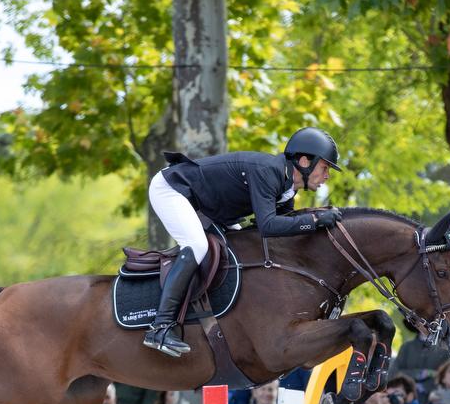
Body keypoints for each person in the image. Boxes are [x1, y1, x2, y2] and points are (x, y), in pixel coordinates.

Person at [144, 127, 343, 357]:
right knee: (197, 246)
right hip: (172, 189)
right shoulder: (269, 172)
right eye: (325, 167)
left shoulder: (287, 188)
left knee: (243, 248)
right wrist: (315, 220)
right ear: (305, 161)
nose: (327, 175)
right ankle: (160, 327)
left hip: (209, 206)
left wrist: (316, 223)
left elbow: (282, 229)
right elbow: (268, 226)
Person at [388, 331, 450, 399]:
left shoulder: (447, 350)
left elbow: (449, 377)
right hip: (403, 398)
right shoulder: (407, 346)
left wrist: (424, 387)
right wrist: (423, 373)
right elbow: (394, 374)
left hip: (433, 400)